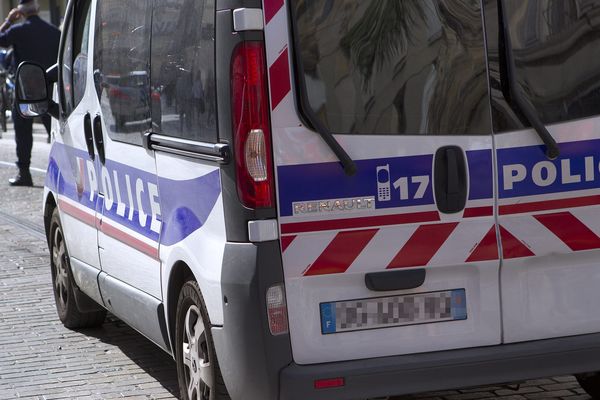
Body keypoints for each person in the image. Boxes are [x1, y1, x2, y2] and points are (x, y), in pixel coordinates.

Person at [0, 0, 60, 186]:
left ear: (21, 12)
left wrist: (9, 21)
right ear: (36, 9)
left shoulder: (18, 30)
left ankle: (24, 173)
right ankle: (68, 171)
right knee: (57, 129)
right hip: (49, 89)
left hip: (25, 91)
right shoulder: (54, 32)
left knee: (23, 133)